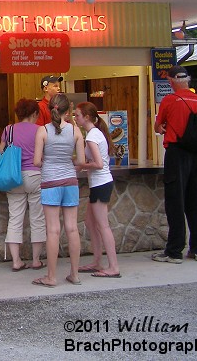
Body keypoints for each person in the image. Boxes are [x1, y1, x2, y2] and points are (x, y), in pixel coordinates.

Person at [152, 65, 197, 264]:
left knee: (176, 201)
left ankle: (174, 250)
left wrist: (162, 127)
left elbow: (159, 126)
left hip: (177, 152)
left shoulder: (170, 100)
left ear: (172, 81)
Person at [32, 93, 85, 287]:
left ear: (49, 109)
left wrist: (49, 160)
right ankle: (75, 274)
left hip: (50, 182)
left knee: (53, 230)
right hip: (70, 181)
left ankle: (51, 277)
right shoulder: (75, 131)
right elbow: (81, 161)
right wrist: (68, 161)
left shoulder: (43, 131)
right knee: (72, 228)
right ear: (68, 110)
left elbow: (37, 161)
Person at [74, 101, 120, 278]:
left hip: (101, 183)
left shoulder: (92, 136)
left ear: (86, 117)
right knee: (90, 222)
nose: (75, 118)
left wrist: (81, 165)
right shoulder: (96, 133)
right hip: (99, 183)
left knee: (103, 225)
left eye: (77, 115)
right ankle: (98, 260)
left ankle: (113, 266)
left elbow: (99, 164)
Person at [0, 98, 45, 271]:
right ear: (34, 114)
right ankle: (35, 260)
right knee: (37, 218)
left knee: (15, 218)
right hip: (35, 175)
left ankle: (16, 261)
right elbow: (44, 156)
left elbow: (1, 152)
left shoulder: (8, 130)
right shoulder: (41, 130)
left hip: (14, 177)